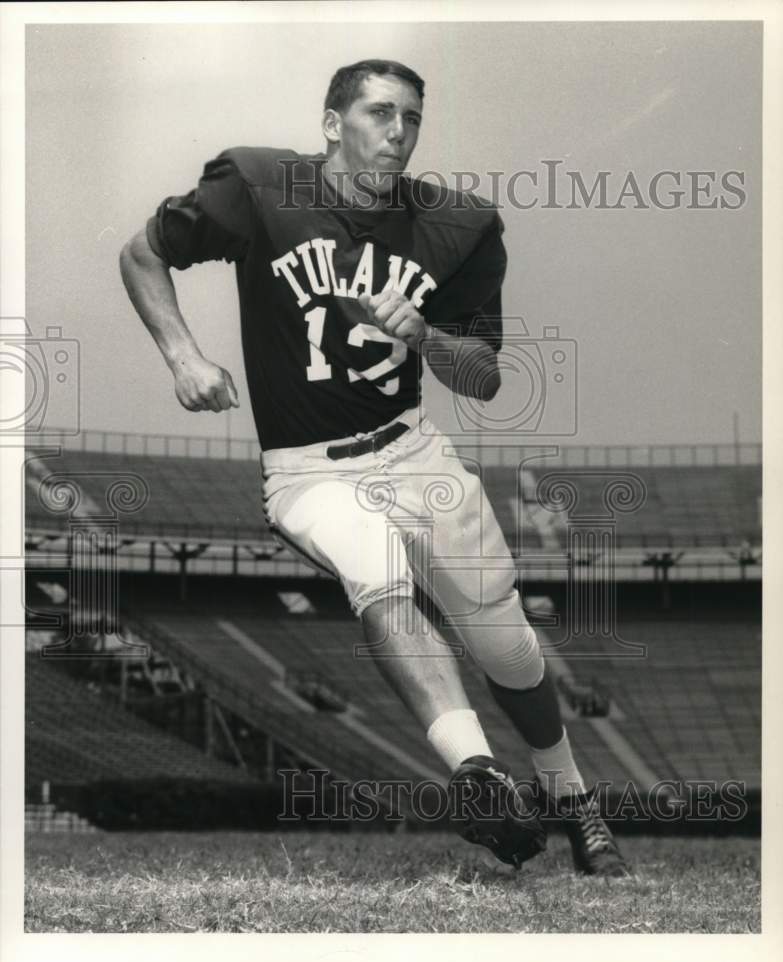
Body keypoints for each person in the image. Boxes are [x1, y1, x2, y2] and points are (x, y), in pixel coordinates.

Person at [120, 58, 628, 876]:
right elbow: (143, 255)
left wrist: (422, 334)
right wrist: (184, 357)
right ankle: (475, 772)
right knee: (376, 579)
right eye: (379, 114)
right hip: (308, 468)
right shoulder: (258, 184)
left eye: (411, 119)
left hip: (410, 448)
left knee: (506, 648)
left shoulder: (457, 225)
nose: (397, 133)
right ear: (332, 123)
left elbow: (483, 377)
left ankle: (572, 799)